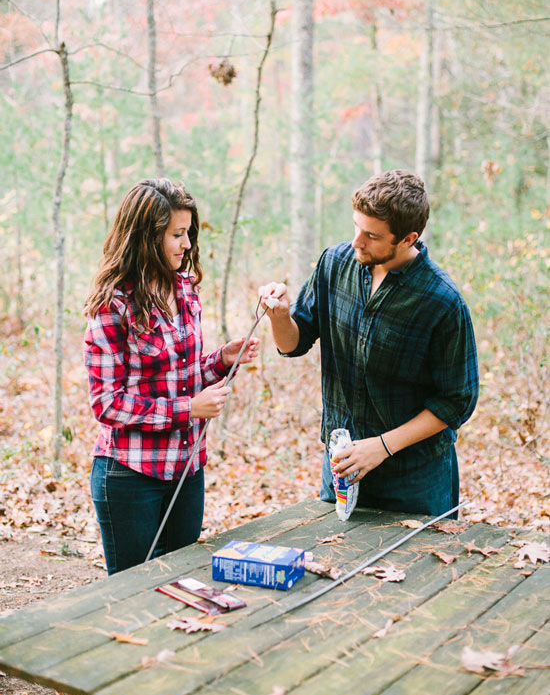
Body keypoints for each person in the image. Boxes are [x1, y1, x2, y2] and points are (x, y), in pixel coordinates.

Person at [259, 170, 478, 518]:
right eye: (356, 227)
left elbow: (456, 402)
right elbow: (293, 344)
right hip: (342, 465)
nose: (357, 241)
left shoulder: (442, 302)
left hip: (415, 479)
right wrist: (280, 317)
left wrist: (382, 447)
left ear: (408, 238)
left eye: (372, 235)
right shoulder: (334, 263)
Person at [84, 178, 258, 574]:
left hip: (187, 467)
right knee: (134, 595)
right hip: (131, 475)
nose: (187, 245)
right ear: (146, 238)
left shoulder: (185, 290)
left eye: (188, 233)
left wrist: (221, 360)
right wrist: (189, 408)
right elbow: (107, 405)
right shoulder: (115, 305)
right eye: (177, 235)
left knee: (182, 583)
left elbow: (178, 375)